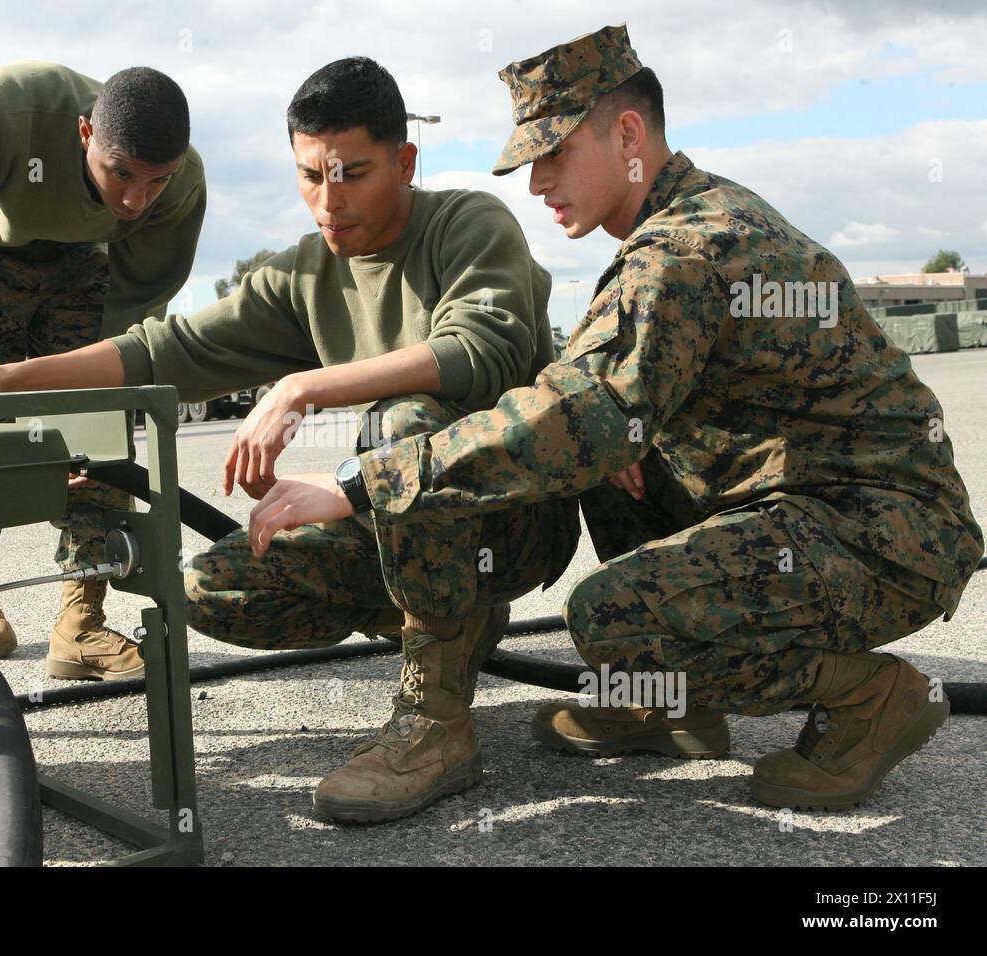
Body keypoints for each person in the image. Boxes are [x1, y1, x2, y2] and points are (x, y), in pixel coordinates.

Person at [247, 25, 983, 810]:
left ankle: (871, 699)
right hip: (821, 507)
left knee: (608, 617)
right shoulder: (689, 218)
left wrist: (365, 481)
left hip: (883, 537)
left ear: (627, 133)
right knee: (611, 457)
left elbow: (578, 414)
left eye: (554, 154)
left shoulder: (682, 251)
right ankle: (669, 705)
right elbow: (591, 399)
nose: (536, 185)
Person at [0, 56, 581, 822]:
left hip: (513, 516)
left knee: (403, 419)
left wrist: (299, 386)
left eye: (352, 174)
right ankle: (446, 621)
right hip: (402, 523)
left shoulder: (467, 225)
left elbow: (478, 353)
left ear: (405, 161)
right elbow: (163, 349)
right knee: (213, 587)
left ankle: (436, 723)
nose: (327, 202)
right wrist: (2, 378)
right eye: (308, 176)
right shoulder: (303, 274)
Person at [0, 61, 206, 679]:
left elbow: (136, 305)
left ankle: (81, 624)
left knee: (99, 423)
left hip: (82, 265)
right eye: (121, 173)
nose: (135, 200)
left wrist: (95, 414)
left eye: (156, 180)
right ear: (83, 133)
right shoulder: (9, 110)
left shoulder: (181, 185)